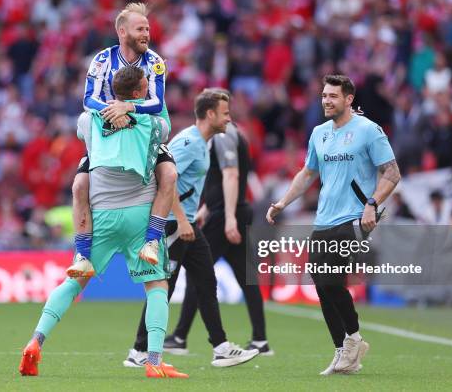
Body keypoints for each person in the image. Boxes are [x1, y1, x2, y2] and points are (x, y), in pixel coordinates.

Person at [19, 66, 188, 379]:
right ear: (139, 93)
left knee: (74, 282)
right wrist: (133, 111)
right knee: (156, 286)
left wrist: (110, 112)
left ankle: (35, 341)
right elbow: (161, 130)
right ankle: (153, 360)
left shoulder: (88, 120)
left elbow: (86, 123)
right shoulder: (154, 124)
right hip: (140, 214)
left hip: (100, 216)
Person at [266, 75, 401, 375]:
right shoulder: (319, 133)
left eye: (333, 96)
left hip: (355, 217)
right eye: (324, 96)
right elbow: (307, 173)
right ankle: (346, 346)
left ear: (349, 99)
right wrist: (283, 202)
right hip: (324, 218)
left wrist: (372, 204)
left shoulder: (368, 130)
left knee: (328, 279)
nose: (326, 101)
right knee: (322, 279)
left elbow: (392, 174)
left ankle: (351, 340)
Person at [124, 89, 259, 368]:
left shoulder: (202, 142)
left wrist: (195, 215)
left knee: (207, 282)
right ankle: (138, 351)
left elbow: (186, 186)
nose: (229, 119)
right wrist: (183, 221)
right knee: (164, 286)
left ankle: (220, 346)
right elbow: (165, 181)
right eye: (225, 113)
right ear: (210, 114)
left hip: (187, 223)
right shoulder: (189, 143)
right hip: (174, 225)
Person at [67, 2, 176, 279]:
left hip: (145, 125)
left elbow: (156, 101)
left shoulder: (155, 62)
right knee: (79, 184)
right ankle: (82, 254)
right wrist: (112, 111)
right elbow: (87, 99)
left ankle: (151, 240)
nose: (146, 34)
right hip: (108, 123)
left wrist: (128, 108)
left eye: (148, 29)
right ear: (122, 31)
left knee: (169, 174)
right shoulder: (102, 60)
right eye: (140, 29)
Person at [163, 90, 272, 356]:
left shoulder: (223, 136)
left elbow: (230, 175)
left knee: (199, 274)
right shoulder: (232, 134)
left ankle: (178, 336)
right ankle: (259, 339)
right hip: (225, 211)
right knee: (242, 277)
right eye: (225, 112)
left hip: (225, 215)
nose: (228, 117)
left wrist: (227, 216)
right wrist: (207, 208)